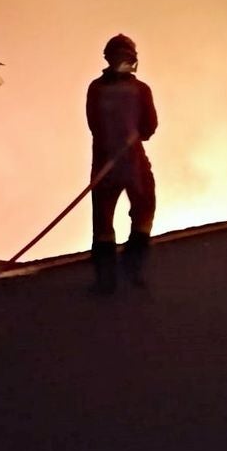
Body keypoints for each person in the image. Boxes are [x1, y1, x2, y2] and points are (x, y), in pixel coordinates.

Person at [86, 34, 157, 292]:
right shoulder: (140, 90)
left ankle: (107, 279)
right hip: (131, 164)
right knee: (143, 211)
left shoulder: (96, 88)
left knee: (105, 220)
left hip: (106, 163)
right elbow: (149, 127)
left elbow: (94, 124)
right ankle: (131, 269)